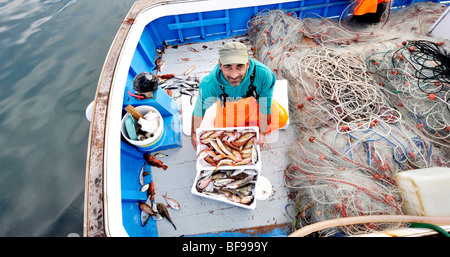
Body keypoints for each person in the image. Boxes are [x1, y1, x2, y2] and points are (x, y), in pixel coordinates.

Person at [190, 42, 288, 149]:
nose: (234, 75)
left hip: (256, 105)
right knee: (224, 137)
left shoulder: (264, 75)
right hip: (229, 110)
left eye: (239, 67)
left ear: (247, 63)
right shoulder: (210, 84)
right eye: (228, 67)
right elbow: (199, 110)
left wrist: (262, 132)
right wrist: (194, 133)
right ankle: (245, 129)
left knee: (281, 119)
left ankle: (249, 130)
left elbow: (264, 106)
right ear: (220, 64)